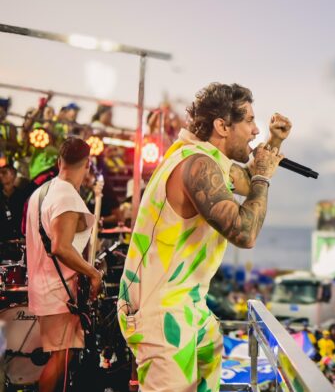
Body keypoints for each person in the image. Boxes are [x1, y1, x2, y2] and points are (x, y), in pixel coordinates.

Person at [117, 82, 291, 392]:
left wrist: (274, 142)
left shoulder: (207, 160)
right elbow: (245, 232)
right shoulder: (196, 164)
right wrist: (263, 176)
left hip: (187, 304)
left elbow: (247, 181)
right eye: (249, 121)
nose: (256, 131)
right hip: (161, 309)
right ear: (222, 126)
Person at [25, 137, 103, 392]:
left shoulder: (42, 192)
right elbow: (60, 247)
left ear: (60, 161)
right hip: (59, 293)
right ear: (87, 164)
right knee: (61, 360)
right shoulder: (66, 197)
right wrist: (93, 273)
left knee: (60, 357)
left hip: (45, 288)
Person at [0, 165, 25, 240]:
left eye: (4, 172)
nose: (0, 175)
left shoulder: (21, 195)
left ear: (13, 175)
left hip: (18, 238)